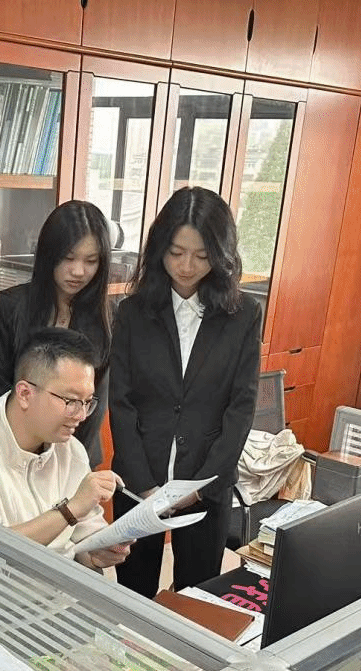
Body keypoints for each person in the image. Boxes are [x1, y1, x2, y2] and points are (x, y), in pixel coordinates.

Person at [109, 186, 262, 596]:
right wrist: (143, 485)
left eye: (202, 255)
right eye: (176, 252)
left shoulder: (243, 314)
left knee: (198, 598)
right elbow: (121, 404)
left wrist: (201, 485)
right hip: (139, 481)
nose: (187, 266)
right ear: (160, 249)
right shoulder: (133, 313)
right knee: (132, 594)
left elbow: (241, 407)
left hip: (206, 486)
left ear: (221, 254)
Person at [0, 327, 130, 583]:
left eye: (87, 402)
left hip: (62, 593)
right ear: (25, 393)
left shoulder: (71, 450)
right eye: (70, 401)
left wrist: (100, 552)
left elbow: (84, 537)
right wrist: (70, 510)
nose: (81, 415)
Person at [0, 201, 113, 467]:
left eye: (91, 261)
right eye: (68, 258)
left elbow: (95, 404)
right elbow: (1, 392)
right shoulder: (12, 306)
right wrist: (25, 452)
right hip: (17, 453)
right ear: (48, 254)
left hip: (77, 454)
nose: (78, 271)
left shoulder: (107, 316)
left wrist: (73, 463)